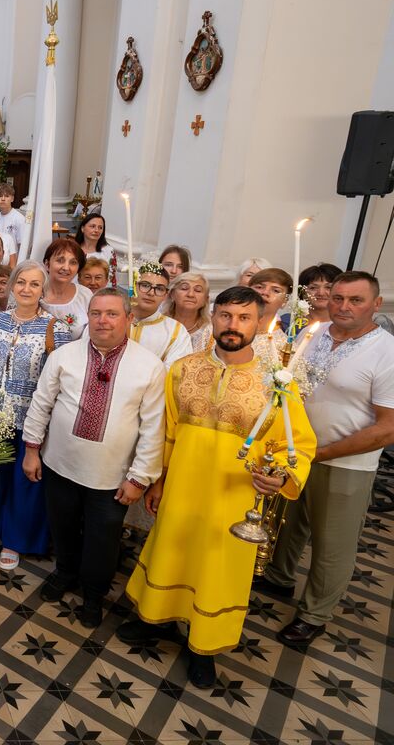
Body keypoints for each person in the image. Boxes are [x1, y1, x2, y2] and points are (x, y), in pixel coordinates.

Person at [117, 286, 315, 688]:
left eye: (244, 318)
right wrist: (158, 481)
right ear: (214, 317)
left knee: (218, 568)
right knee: (170, 551)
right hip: (182, 487)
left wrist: (278, 475)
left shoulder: (276, 382)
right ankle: (157, 621)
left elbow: (297, 443)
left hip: (234, 497)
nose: (233, 325)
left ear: (260, 323)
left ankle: (203, 646)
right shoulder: (184, 368)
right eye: (225, 316)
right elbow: (166, 431)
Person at [261, 271, 394, 646]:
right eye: (338, 298)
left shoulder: (386, 351)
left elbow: (388, 428)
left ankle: (314, 614)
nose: (344, 306)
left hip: (345, 464)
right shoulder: (312, 334)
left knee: (332, 542)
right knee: (289, 522)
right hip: (297, 453)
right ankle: (279, 576)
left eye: (356, 300)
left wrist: (321, 453)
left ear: (376, 305)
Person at [22, 289, 166, 626]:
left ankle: (93, 593)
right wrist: (32, 452)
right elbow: (41, 404)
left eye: (112, 313)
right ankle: (65, 572)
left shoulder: (149, 367)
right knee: (63, 528)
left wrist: (138, 478)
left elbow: (153, 427)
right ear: (88, 317)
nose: (103, 320)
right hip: (60, 464)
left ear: (129, 318)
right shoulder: (64, 356)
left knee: (103, 539)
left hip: (111, 477)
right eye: (97, 313)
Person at [0, 260, 71, 565]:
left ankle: (16, 540)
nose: (26, 289)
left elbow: (59, 379)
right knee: (0, 477)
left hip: (31, 417)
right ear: (12, 285)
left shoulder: (55, 328)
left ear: (42, 289)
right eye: (21, 282)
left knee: (26, 480)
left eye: (34, 284)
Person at [130, 261, 193, 368]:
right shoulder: (114, 318)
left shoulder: (176, 332)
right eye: (145, 285)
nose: (151, 293)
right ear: (133, 286)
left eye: (159, 289)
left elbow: (175, 372)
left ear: (165, 295)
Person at [40, 239, 93, 338]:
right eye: (60, 260)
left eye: (73, 262)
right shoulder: (35, 293)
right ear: (47, 264)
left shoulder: (85, 295)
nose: (66, 267)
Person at [164, 271, 213, 353]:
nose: (190, 294)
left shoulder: (211, 332)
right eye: (184, 288)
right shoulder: (159, 323)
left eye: (198, 290)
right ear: (172, 294)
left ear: (206, 299)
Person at [296, 263, 342, 334]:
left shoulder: (345, 326)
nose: (321, 293)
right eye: (313, 288)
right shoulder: (287, 322)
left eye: (328, 287)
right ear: (302, 292)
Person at [0, 183, 27, 253]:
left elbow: (22, 245)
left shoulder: (19, 219)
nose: (3, 199)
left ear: (12, 199)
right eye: (0, 196)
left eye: (7, 196)